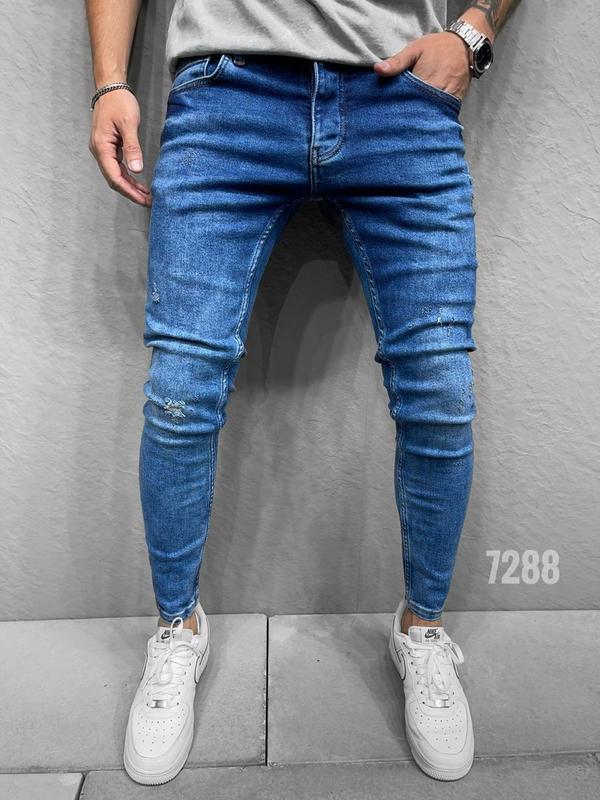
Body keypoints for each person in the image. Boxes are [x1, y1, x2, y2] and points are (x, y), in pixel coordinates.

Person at [86, 0, 518, 786]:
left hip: (400, 99)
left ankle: (422, 630)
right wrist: (110, 80)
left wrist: (474, 32)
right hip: (227, 94)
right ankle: (178, 629)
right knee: (180, 391)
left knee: (440, 393)